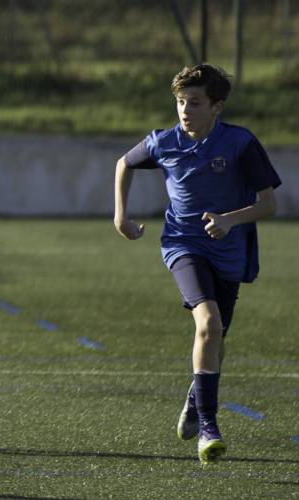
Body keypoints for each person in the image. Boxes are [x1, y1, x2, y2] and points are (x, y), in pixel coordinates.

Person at [113, 64, 280, 464]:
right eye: (180, 102)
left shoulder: (239, 144)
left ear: (216, 107)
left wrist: (229, 220)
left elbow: (269, 205)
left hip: (229, 251)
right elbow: (124, 163)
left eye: (195, 103)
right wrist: (120, 215)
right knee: (208, 323)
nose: (185, 110)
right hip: (183, 245)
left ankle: (195, 397)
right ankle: (209, 426)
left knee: (217, 339)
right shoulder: (164, 142)